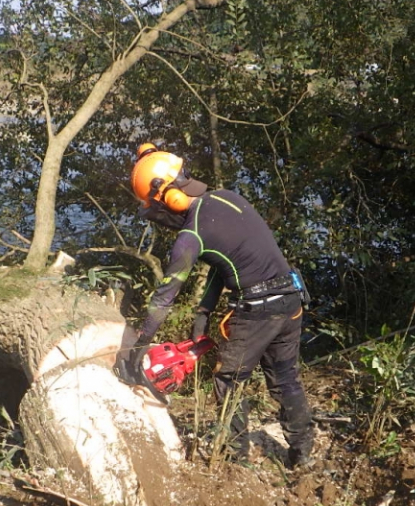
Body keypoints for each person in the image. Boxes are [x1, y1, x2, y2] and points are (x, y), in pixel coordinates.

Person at [119, 143, 315, 469]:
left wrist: (140, 345)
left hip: (257, 310)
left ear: (169, 198)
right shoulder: (227, 197)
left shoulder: (191, 235)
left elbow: (165, 295)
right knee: (285, 378)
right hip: (291, 299)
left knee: (228, 380)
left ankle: (235, 462)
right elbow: (224, 262)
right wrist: (203, 312)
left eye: (156, 209)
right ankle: (302, 455)